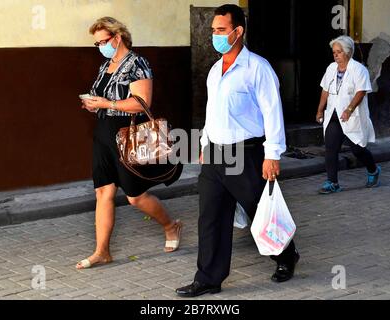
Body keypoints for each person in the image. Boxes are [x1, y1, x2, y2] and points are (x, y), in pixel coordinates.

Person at [176, 4, 299, 297]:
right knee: (210, 217)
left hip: (247, 153)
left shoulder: (258, 68)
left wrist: (273, 154)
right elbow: (212, 112)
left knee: (261, 212)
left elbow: (273, 113)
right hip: (217, 154)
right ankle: (208, 278)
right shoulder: (215, 70)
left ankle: (286, 255)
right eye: (213, 30)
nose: (215, 36)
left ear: (238, 31)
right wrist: (205, 143)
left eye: (221, 30)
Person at [77, 17, 183, 269]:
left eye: (103, 41)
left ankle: (171, 226)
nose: (101, 46)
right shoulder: (106, 65)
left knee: (135, 196)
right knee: (103, 192)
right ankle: (102, 251)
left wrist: (107, 104)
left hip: (126, 133)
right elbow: (104, 98)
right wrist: (93, 104)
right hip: (103, 132)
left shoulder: (137, 63)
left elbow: (142, 101)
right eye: (97, 43)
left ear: (118, 37)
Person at [316, 35, 380, 194]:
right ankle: (333, 182)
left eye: (339, 52)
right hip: (333, 115)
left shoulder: (359, 70)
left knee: (358, 150)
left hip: (352, 116)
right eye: (334, 52)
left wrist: (349, 109)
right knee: (331, 148)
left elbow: (361, 92)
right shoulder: (331, 68)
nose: (335, 55)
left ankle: (373, 169)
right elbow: (325, 90)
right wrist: (319, 110)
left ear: (348, 52)